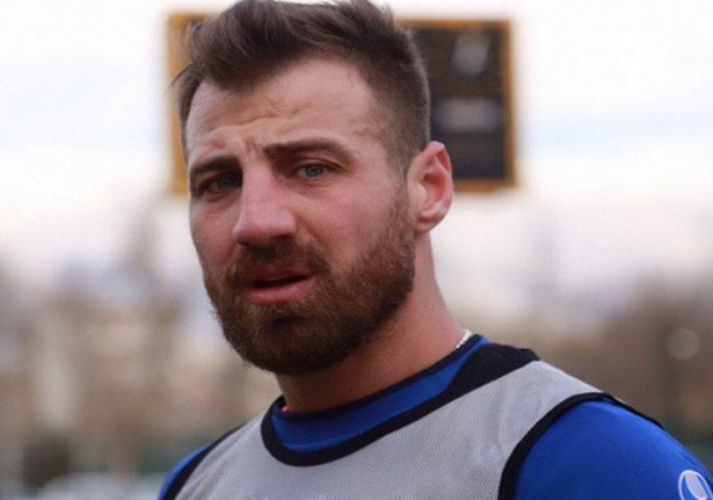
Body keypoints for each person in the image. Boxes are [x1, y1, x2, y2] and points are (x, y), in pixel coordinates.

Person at [160, 0, 713, 498]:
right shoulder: (195, 485)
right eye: (220, 182)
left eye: (312, 169)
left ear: (429, 188)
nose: (256, 223)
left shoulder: (588, 464)